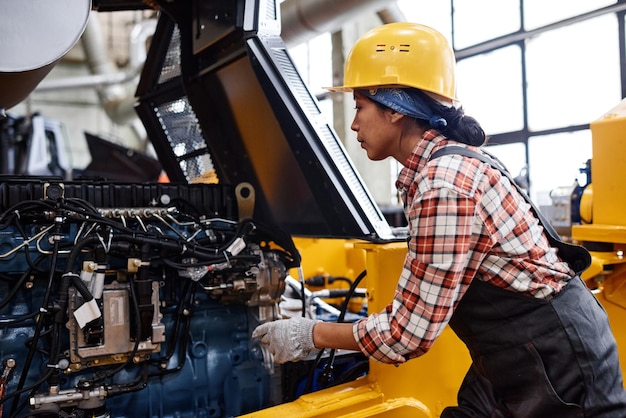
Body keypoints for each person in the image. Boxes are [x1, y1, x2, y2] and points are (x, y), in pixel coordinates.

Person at [252, 22, 626, 417]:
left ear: (395, 109)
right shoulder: (436, 169)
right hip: (515, 354)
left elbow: (406, 336)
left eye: (360, 107)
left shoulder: (443, 183)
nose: (353, 124)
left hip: (560, 367)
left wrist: (308, 334)